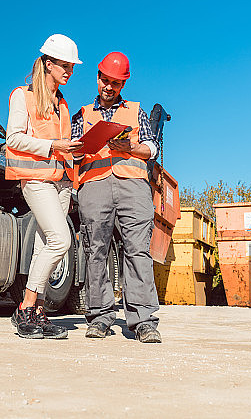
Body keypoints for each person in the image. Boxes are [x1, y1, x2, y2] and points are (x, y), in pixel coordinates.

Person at [71, 51, 162, 343]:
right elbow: (71, 150)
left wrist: (128, 149)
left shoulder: (137, 112)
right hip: (94, 187)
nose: (108, 87)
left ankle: (144, 321)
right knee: (95, 251)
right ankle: (100, 317)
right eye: (104, 80)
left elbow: (151, 148)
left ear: (123, 84)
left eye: (115, 83)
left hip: (132, 187)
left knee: (137, 251)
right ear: (97, 78)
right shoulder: (82, 115)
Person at [5, 33, 83, 339]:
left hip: (62, 184)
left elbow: (61, 146)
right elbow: (13, 138)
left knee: (43, 248)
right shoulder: (22, 96)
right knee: (61, 241)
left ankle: (36, 311)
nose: (70, 71)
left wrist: (73, 150)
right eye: (64, 65)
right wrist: (53, 145)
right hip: (36, 181)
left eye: (72, 66)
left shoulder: (62, 104)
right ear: (48, 64)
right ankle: (25, 307)